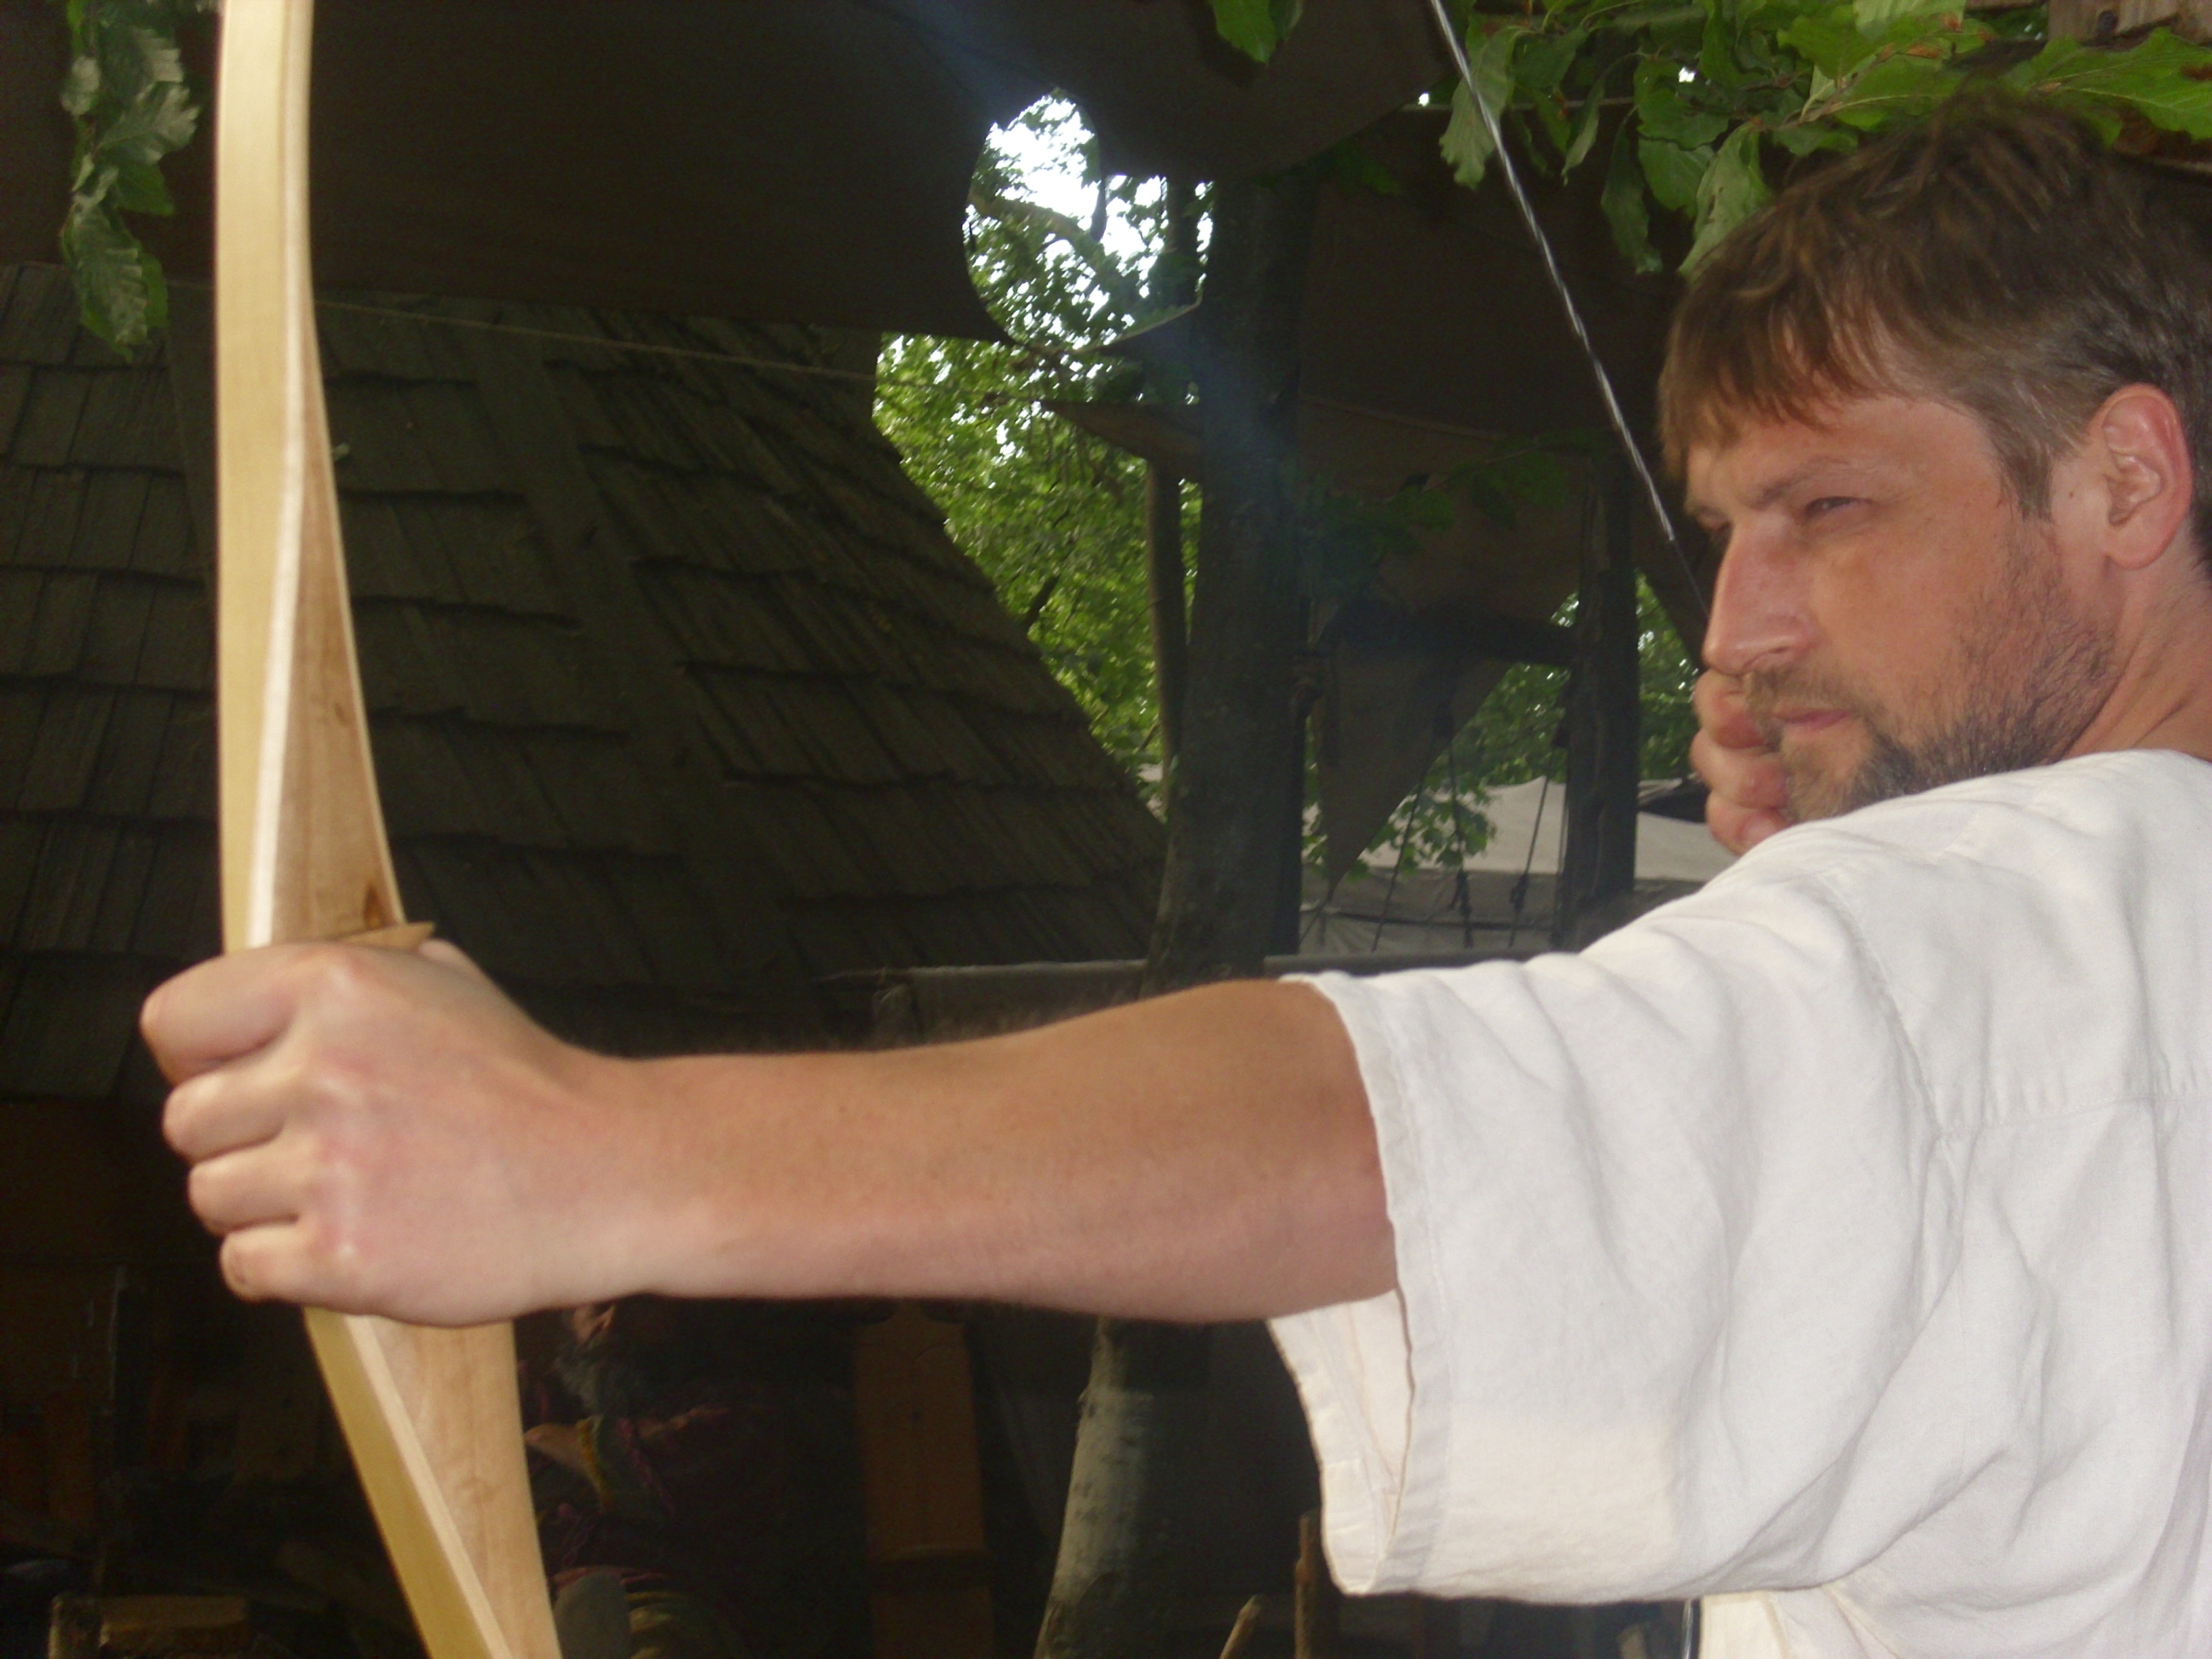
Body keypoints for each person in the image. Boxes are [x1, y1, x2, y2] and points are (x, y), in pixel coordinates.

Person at [142, 97, 2212, 1657]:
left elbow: (1389, 1134)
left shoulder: (2010, 930)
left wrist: (586, 1152)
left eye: (1831, 510)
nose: (1737, 628)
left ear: (2125, 479)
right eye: (1725, 530)